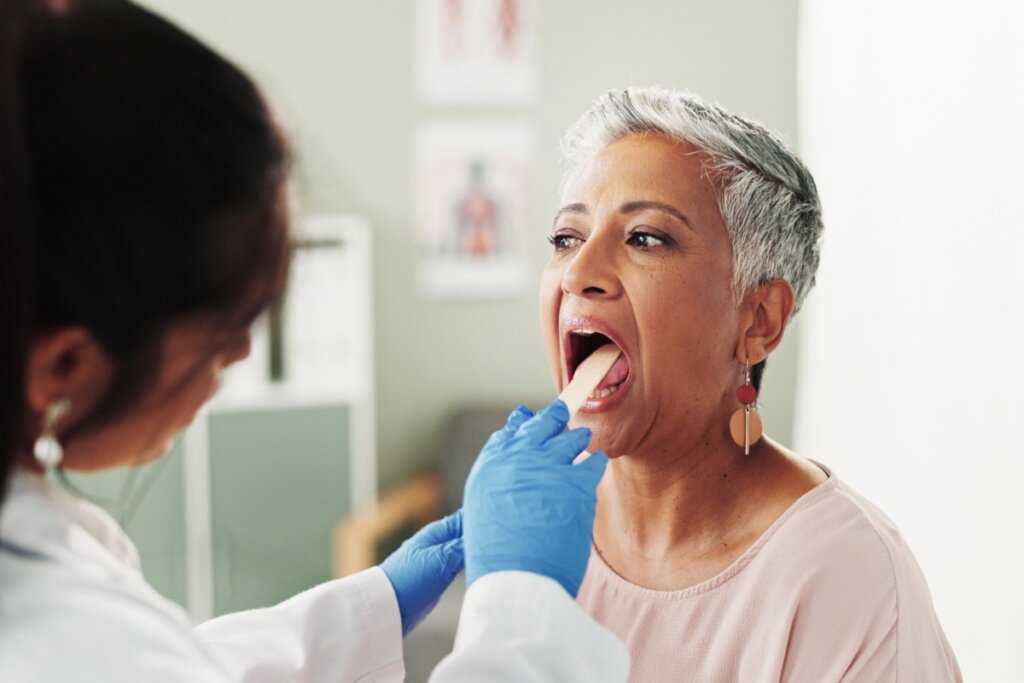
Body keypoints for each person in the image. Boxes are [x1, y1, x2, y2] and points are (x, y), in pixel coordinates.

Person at [0, 2, 628, 681]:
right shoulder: (38, 629)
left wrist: (375, 602)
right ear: (63, 360)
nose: (242, 356)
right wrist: (523, 611)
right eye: (224, 333)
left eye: (648, 238)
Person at [541, 86, 962, 681]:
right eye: (566, 238)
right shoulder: (532, 534)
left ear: (758, 321)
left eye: (645, 238)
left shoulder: (849, 576)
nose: (578, 274)